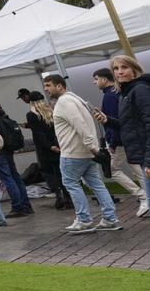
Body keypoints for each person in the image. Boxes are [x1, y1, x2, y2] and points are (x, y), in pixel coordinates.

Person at [44, 73, 122, 234]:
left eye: (49, 85)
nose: (46, 89)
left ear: (59, 86)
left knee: (71, 184)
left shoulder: (65, 102)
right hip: (86, 152)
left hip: (73, 152)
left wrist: (91, 146)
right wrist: (92, 148)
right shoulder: (75, 99)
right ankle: (110, 218)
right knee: (96, 184)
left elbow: (80, 124)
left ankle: (84, 220)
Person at [111, 54, 150, 230]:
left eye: (124, 67)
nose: (120, 72)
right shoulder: (127, 93)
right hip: (147, 157)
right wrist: (107, 121)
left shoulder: (140, 90)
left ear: (134, 69)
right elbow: (132, 127)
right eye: (116, 69)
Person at [92, 67, 150, 217]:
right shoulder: (117, 92)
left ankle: (144, 196)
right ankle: (149, 198)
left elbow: (117, 121)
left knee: (113, 170)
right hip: (128, 139)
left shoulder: (109, 96)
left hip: (120, 141)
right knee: (138, 169)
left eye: (96, 79)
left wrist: (112, 143)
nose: (94, 82)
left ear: (104, 80)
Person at [24, 91, 69, 210]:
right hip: (57, 145)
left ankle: (59, 196)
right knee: (60, 172)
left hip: (44, 148)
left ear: (32, 102)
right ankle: (68, 197)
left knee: (48, 173)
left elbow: (39, 133)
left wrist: (49, 146)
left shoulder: (32, 114)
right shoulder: (51, 111)